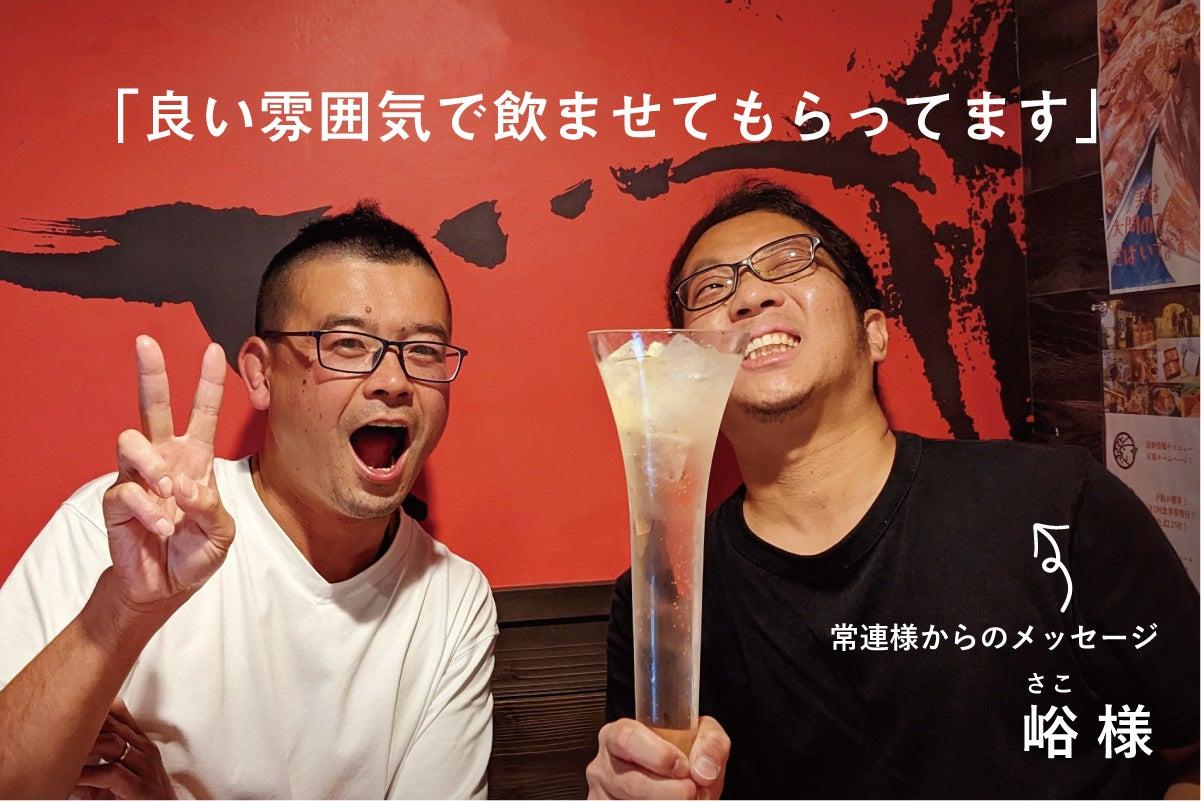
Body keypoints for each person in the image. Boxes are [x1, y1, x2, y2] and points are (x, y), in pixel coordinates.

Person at [585, 181, 1200, 799]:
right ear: (686, 361)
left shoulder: (1058, 502)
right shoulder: (658, 600)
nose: (749, 295)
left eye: (789, 261)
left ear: (875, 333)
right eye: (711, 288)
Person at [0, 202, 497, 799]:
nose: (394, 381)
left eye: (423, 351)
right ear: (261, 374)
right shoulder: (128, 529)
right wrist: (125, 608)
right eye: (346, 343)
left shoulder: (452, 600)